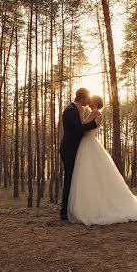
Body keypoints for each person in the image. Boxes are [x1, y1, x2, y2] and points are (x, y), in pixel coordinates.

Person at [61, 92, 137, 225]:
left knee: (86, 177)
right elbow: (80, 127)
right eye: (88, 99)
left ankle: (75, 209)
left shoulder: (93, 113)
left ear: (94, 103)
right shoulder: (82, 111)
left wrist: (90, 121)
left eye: (91, 100)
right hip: (85, 147)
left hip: (87, 146)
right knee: (88, 177)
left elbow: (82, 128)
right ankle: (74, 208)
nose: (88, 102)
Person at [58, 88, 101, 221]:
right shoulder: (71, 110)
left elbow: (79, 128)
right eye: (87, 99)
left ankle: (68, 210)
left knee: (73, 179)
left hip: (75, 149)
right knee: (69, 179)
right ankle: (64, 212)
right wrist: (94, 124)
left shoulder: (77, 109)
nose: (88, 101)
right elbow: (78, 129)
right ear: (81, 99)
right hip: (69, 150)